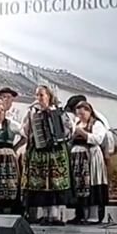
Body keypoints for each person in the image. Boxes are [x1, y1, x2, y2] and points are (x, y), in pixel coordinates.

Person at [22, 84, 74, 224]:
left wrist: (62, 135)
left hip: (55, 152)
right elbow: (24, 131)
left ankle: (55, 215)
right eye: (37, 95)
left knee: (55, 183)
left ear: (49, 97)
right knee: (41, 183)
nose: (38, 98)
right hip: (39, 152)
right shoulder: (32, 112)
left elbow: (69, 128)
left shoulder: (58, 111)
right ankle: (45, 215)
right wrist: (32, 118)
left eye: (41, 95)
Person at [69, 101, 111, 224]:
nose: (80, 116)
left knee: (92, 183)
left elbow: (98, 139)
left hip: (91, 157)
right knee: (79, 186)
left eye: (83, 114)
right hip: (77, 159)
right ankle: (80, 215)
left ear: (89, 112)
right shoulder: (76, 123)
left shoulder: (97, 124)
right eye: (78, 114)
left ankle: (93, 216)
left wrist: (81, 132)